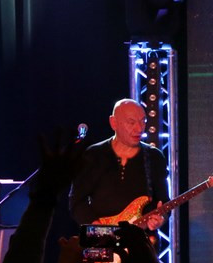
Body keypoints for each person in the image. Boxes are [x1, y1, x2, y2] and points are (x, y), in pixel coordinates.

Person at [69, 99, 170, 234]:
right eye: (131, 122)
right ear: (114, 123)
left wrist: (161, 218)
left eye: (143, 121)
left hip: (139, 240)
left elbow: (163, 202)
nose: (139, 129)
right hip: (100, 240)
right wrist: (99, 229)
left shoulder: (154, 157)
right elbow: (77, 201)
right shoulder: (93, 155)